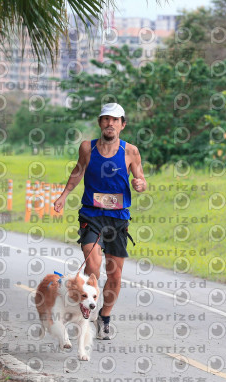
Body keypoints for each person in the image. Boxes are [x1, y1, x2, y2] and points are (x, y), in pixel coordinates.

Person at [54, 103, 147, 340]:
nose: (110, 124)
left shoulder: (131, 151)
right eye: (106, 119)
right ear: (100, 123)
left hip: (118, 218)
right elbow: (78, 171)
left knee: (114, 275)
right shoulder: (87, 147)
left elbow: (141, 179)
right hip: (91, 215)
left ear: (122, 125)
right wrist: (64, 195)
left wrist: (140, 185)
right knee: (93, 266)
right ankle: (86, 307)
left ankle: (104, 319)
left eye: (115, 120)